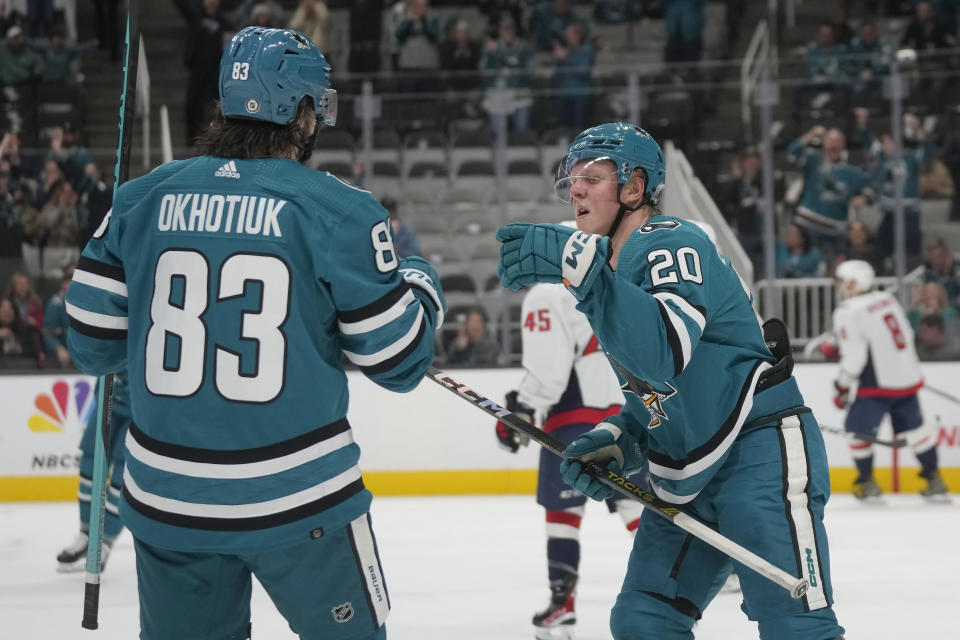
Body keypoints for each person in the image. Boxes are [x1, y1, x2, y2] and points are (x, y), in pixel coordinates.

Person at [64, 27, 446, 640]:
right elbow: (399, 361)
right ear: (300, 114)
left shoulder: (138, 199)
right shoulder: (341, 209)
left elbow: (89, 341)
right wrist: (420, 282)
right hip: (302, 503)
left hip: (170, 503)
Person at [496, 122, 846, 639]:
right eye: (571, 177)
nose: (575, 188)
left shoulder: (670, 240)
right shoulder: (611, 268)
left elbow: (663, 351)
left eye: (592, 175)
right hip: (688, 468)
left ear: (634, 187)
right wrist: (623, 437)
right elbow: (660, 389)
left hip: (759, 451)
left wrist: (579, 269)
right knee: (644, 622)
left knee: (795, 627)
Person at [494, 274, 644, 640]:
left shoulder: (547, 292)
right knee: (637, 510)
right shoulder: (621, 281)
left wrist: (523, 408)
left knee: (564, 513)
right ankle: (672, 593)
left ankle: (563, 605)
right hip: (628, 419)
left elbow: (549, 373)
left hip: (572, 420)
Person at [830, 260, 949, 500]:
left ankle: (866, 483)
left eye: (842, 281)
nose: (839, 286)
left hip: (875, 384)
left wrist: (842, 385)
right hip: (906, 379)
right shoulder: (887, 300)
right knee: (917, 431)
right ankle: (934, 479)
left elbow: (855, 355)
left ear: (854, 283)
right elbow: (904, 334)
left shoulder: (847, 310)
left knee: (856, 431)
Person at [56, 374, 131, 571]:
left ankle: (104, 542)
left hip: (140, 405)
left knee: (123, 473)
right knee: (90, 460)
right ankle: (86, 534)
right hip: (109, 393)